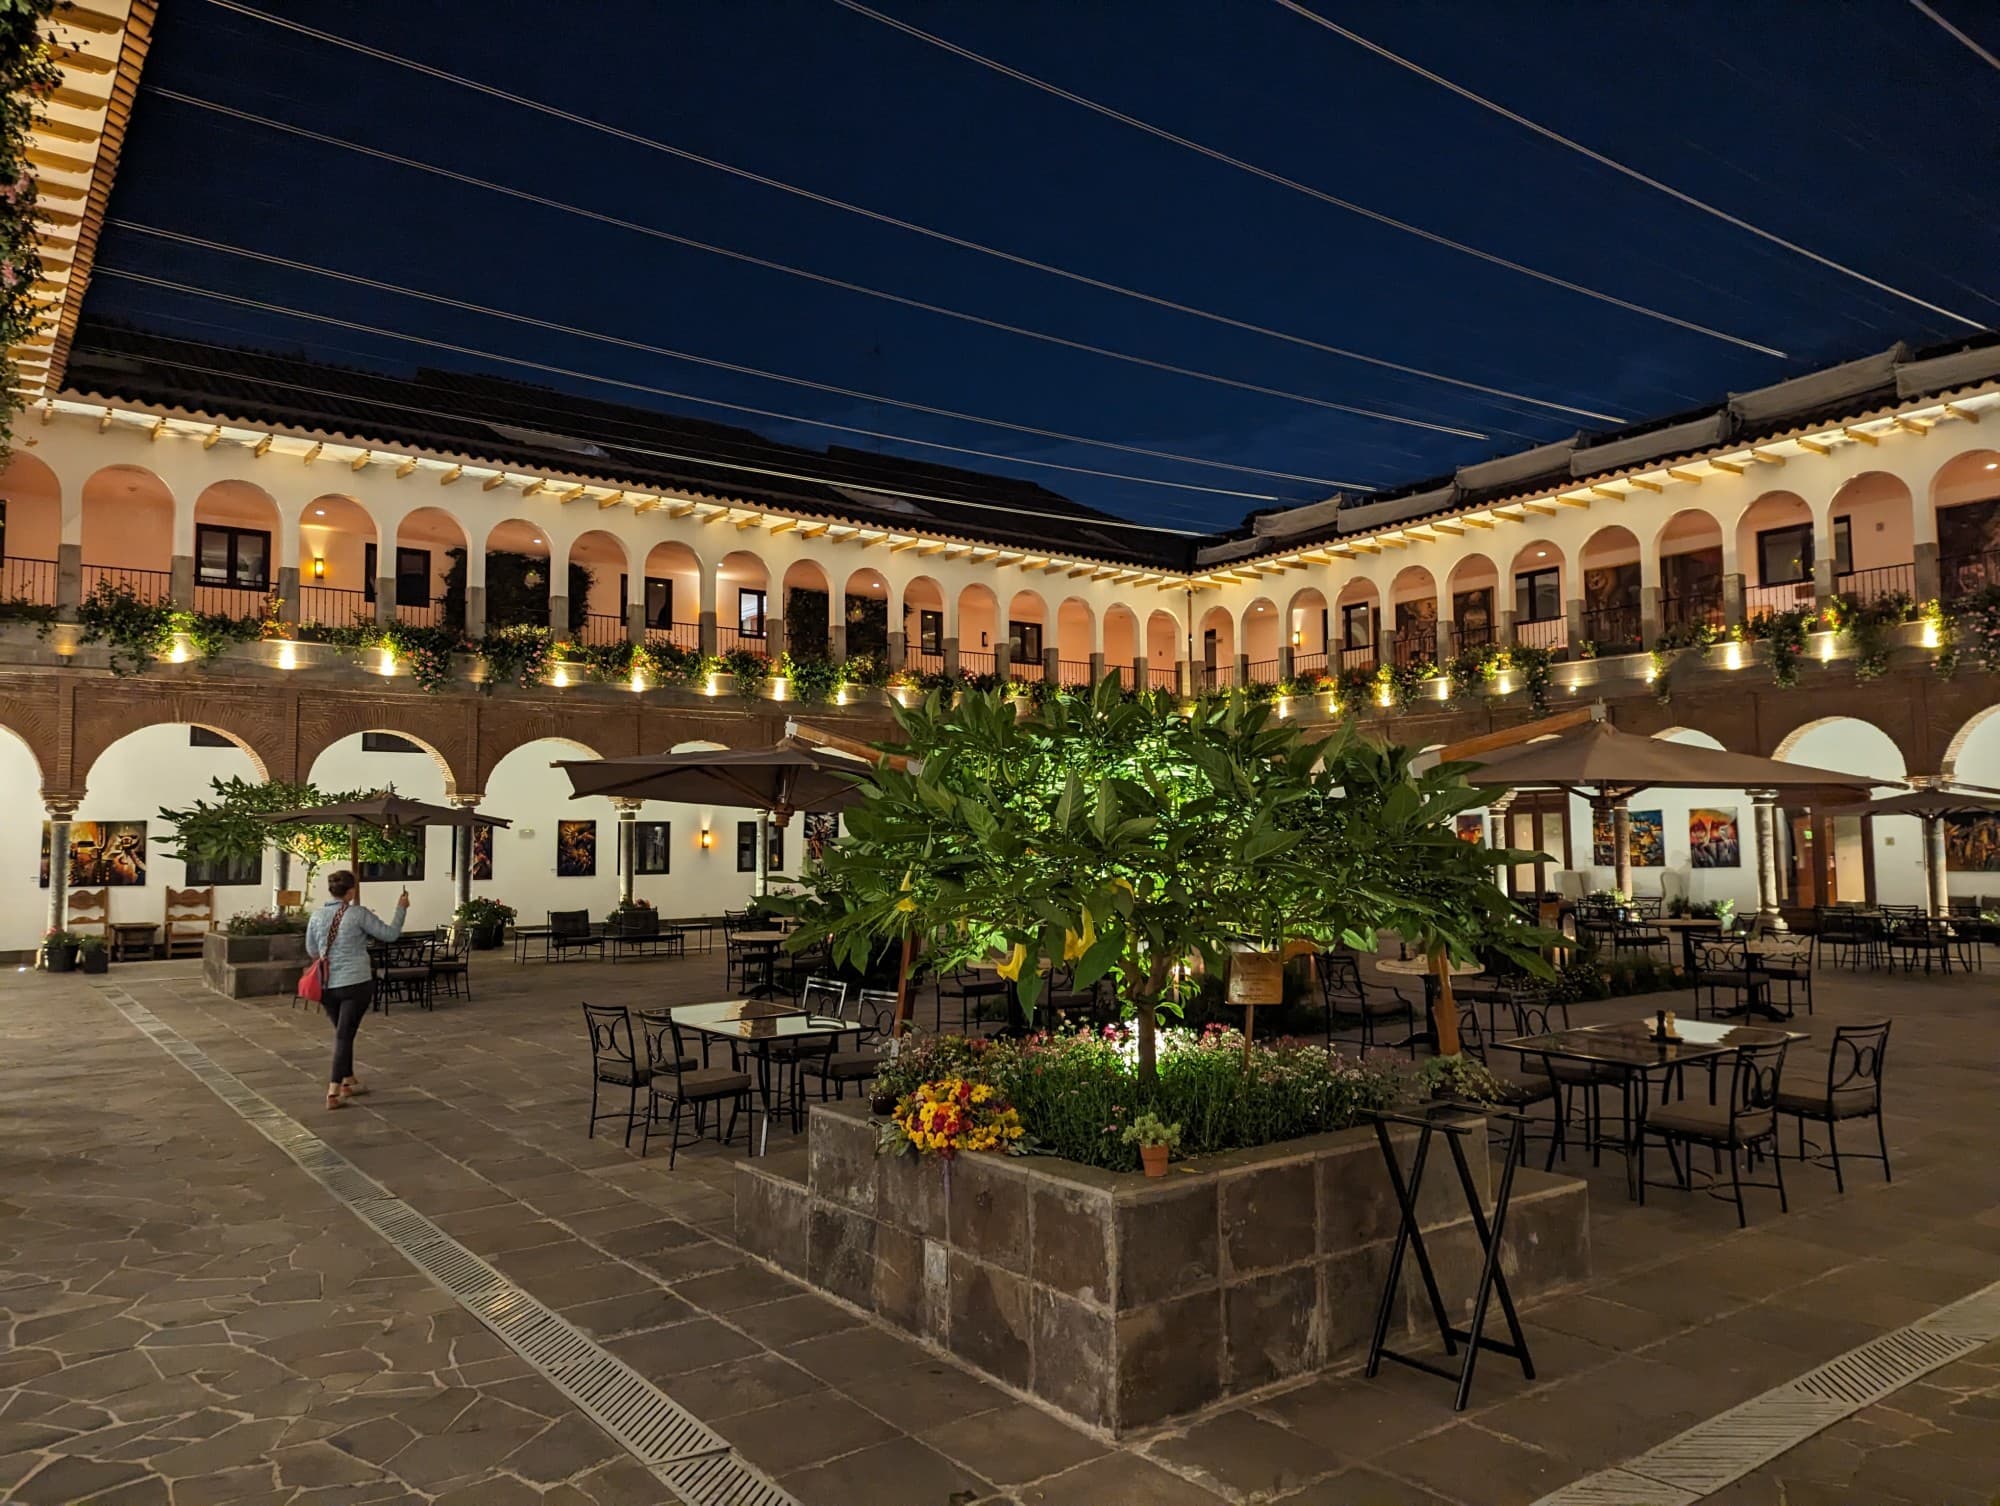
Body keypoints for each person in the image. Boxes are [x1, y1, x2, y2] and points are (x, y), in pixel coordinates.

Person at [304, 871, 409, 1110]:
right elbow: (390, 935)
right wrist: (401, 908)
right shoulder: (358, 914)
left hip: (327, 984)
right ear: (351, 891)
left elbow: (312, 949)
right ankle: (333, 1090)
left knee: (343, 1033)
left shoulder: (317, 916)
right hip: (356, 983)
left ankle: (349, 1080)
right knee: (344, 1035)